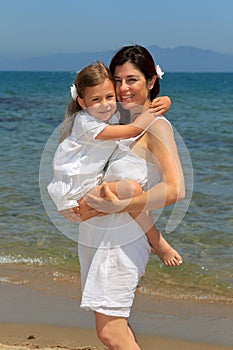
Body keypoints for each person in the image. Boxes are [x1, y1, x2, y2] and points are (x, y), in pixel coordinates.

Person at [60, 45, 185, 350]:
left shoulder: (156, 128)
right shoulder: (120, 125)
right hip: (99, 235)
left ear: (151, 81)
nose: (123, 88)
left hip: (123, 239)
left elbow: (175, 189)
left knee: (110, 333)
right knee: (118, 329)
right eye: (118, 80)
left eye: (132, 80)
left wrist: (122, 204)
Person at [47, 61, 181, 264]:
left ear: (151, 81)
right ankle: (157, 241)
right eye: (96, 99)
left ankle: (154, 241)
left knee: (130, 191)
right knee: (131, 189)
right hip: (78, 192)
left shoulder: (111, 117)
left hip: (95, 202)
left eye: (110, 96)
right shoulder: (88, 122)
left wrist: (166, 101)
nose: (105, 103)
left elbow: (175, 190)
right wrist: (154, 112)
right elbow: (133, 130)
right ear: (82, 102)